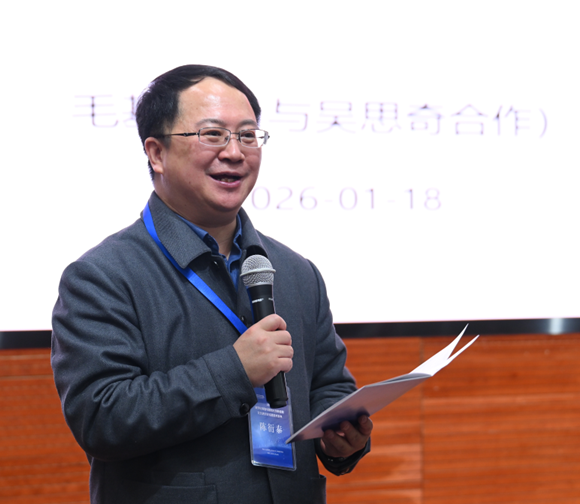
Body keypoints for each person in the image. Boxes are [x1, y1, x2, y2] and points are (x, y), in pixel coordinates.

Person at [51, 64, 372, 504]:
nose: (235, 152)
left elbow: (329, 385)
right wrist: (235, 371)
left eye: (248, 135)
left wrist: (340, 435)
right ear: (156, 153)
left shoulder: (296, 271)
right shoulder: (102, 276)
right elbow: (101, 419)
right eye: (213, 134)